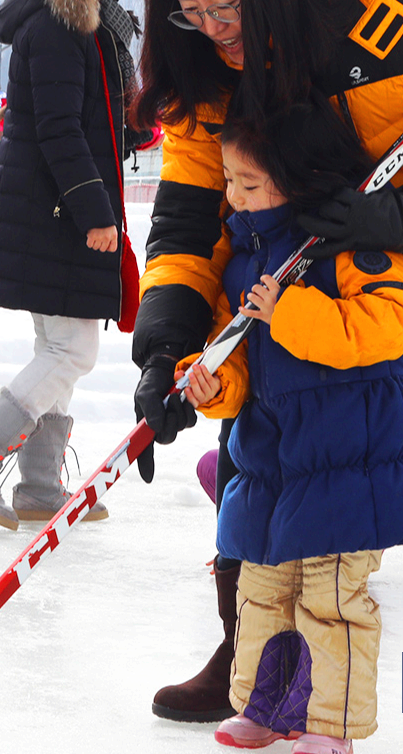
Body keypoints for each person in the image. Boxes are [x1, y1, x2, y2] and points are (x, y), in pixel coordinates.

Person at [131, 0, 403, 723]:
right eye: (190, 10)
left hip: (374, 299)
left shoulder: (378, 30)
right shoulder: (202, 72)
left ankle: (325, 688)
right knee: (251, 458)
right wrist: (166, 347)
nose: (213, 29)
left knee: (346, 487)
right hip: (270, 296)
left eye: (226, 5)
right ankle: (248, 657)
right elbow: (189, 221)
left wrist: (394, 216)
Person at [178, 98, 403, 754]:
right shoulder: (247, 258)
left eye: (248, 185)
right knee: (262, 590)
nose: (234, 197)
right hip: (269, 460)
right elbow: (237, 351)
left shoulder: (350, 246)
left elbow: (386, 327)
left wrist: (292, 313)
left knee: (330, 598)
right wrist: (215, 382)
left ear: (298, 180)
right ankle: (265, 705)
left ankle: (331, 724)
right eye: (229, 180)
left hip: (346, 462)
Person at [0, 0, 143, 530]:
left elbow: (85, 117)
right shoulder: (61, 24)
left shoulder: (82, 25)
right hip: (56, 212)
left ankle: (40, 486)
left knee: (57, 346)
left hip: (50, 208)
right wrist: (94, 212)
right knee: (73, 350)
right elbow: (59, 127)